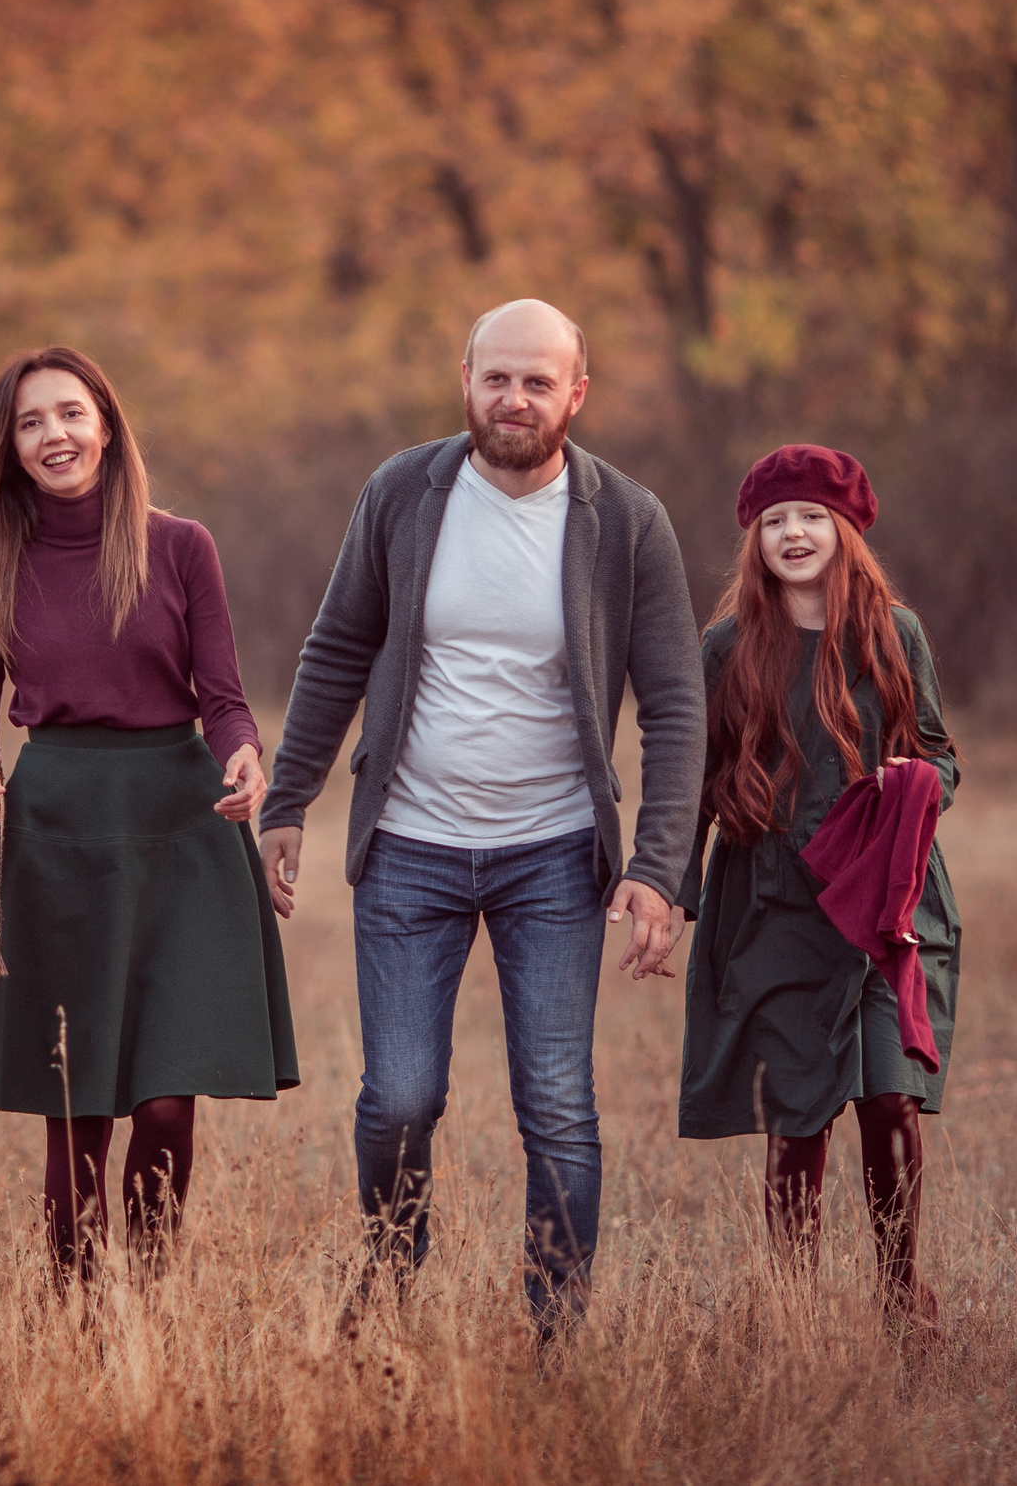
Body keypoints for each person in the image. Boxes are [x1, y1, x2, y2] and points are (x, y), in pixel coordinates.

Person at [258, 299, 705, 1335]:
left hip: (553, 855)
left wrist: (658, 867)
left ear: (575, 395)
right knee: (399, 1098)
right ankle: (391, 1285)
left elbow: (677, 702)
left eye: (537, 382)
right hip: (408, 845)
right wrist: (290, 796)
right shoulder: (404, 492)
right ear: (465, 378)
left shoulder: (625, 521)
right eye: (495, 377)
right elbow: (333, 650)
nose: (513, 399)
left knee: (554, 1104)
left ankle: (554, 1332)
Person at [0, 345, 297, 1282]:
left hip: (185, 825)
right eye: (31, 422)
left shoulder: (180, 546)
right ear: (6, 448)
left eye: (71, 414)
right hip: (55, 838)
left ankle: (151, 1305)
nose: (55, 435)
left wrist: (246, 755)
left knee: (168, 1096)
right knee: (77, 1099)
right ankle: (78, 1320)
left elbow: (226, 698)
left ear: (108, 425)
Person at [677, 445, 962, 1329]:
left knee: (889, 1096)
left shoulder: (894, 632)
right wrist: (669, 892)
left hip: (884, 903)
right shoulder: (725, 648)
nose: (792, 533)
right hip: (774, 905)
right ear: (753, 541)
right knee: (797, 1113)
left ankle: (899, 1297)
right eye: (773, 521)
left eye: (809, 516)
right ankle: (794, 1307)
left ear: (845, 530)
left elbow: (941, 753)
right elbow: (689, 781)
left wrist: (913, 788)